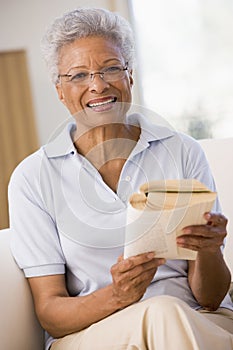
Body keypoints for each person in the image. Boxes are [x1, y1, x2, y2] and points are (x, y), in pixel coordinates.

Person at [8, 7, 233, 350]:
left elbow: (212, 296)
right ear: (60, 90)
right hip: (95, 334)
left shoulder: (182, 151)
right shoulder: (32, 177)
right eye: (79, 75)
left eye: (110, 68)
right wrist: (118, 295)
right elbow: (50, 312)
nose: (97, 85)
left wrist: (210, 251)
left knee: (168, 313)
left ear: (130, 76)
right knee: (160, 312)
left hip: (195, 319)